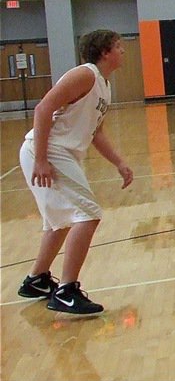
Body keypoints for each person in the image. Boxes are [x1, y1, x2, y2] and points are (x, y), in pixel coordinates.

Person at [17, 29, 134, 314]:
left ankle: (37, 279)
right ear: (105, 52)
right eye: (119, 46)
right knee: (89, 212)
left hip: (59, 152)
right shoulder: (86, 74)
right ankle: (67, 290)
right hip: (47, 150)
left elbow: (96, 133)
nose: (123, 51)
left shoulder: (103, 85)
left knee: (60, 221)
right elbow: (43, 109)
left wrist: (119, 162)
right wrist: (42, 159)